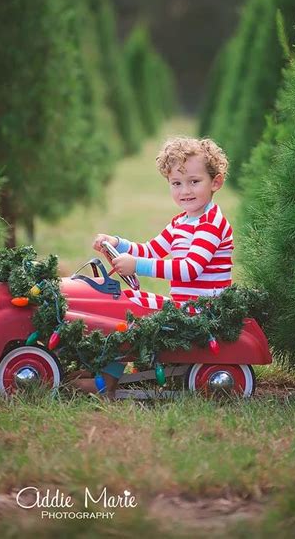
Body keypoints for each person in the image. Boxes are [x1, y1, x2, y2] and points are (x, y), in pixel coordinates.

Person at [72, 136, 233, 400]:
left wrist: (137, 266)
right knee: (124, 302)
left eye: (194, 182)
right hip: (184, 306)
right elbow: (152, 249)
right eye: (176, 184)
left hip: (203, 310)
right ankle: (98, 369)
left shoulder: (211, 223)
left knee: (131, 315)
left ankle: (106, 385)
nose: (185, 191)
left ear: (215, 182)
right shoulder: (182, 221)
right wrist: (117, 244)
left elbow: (189, 269)